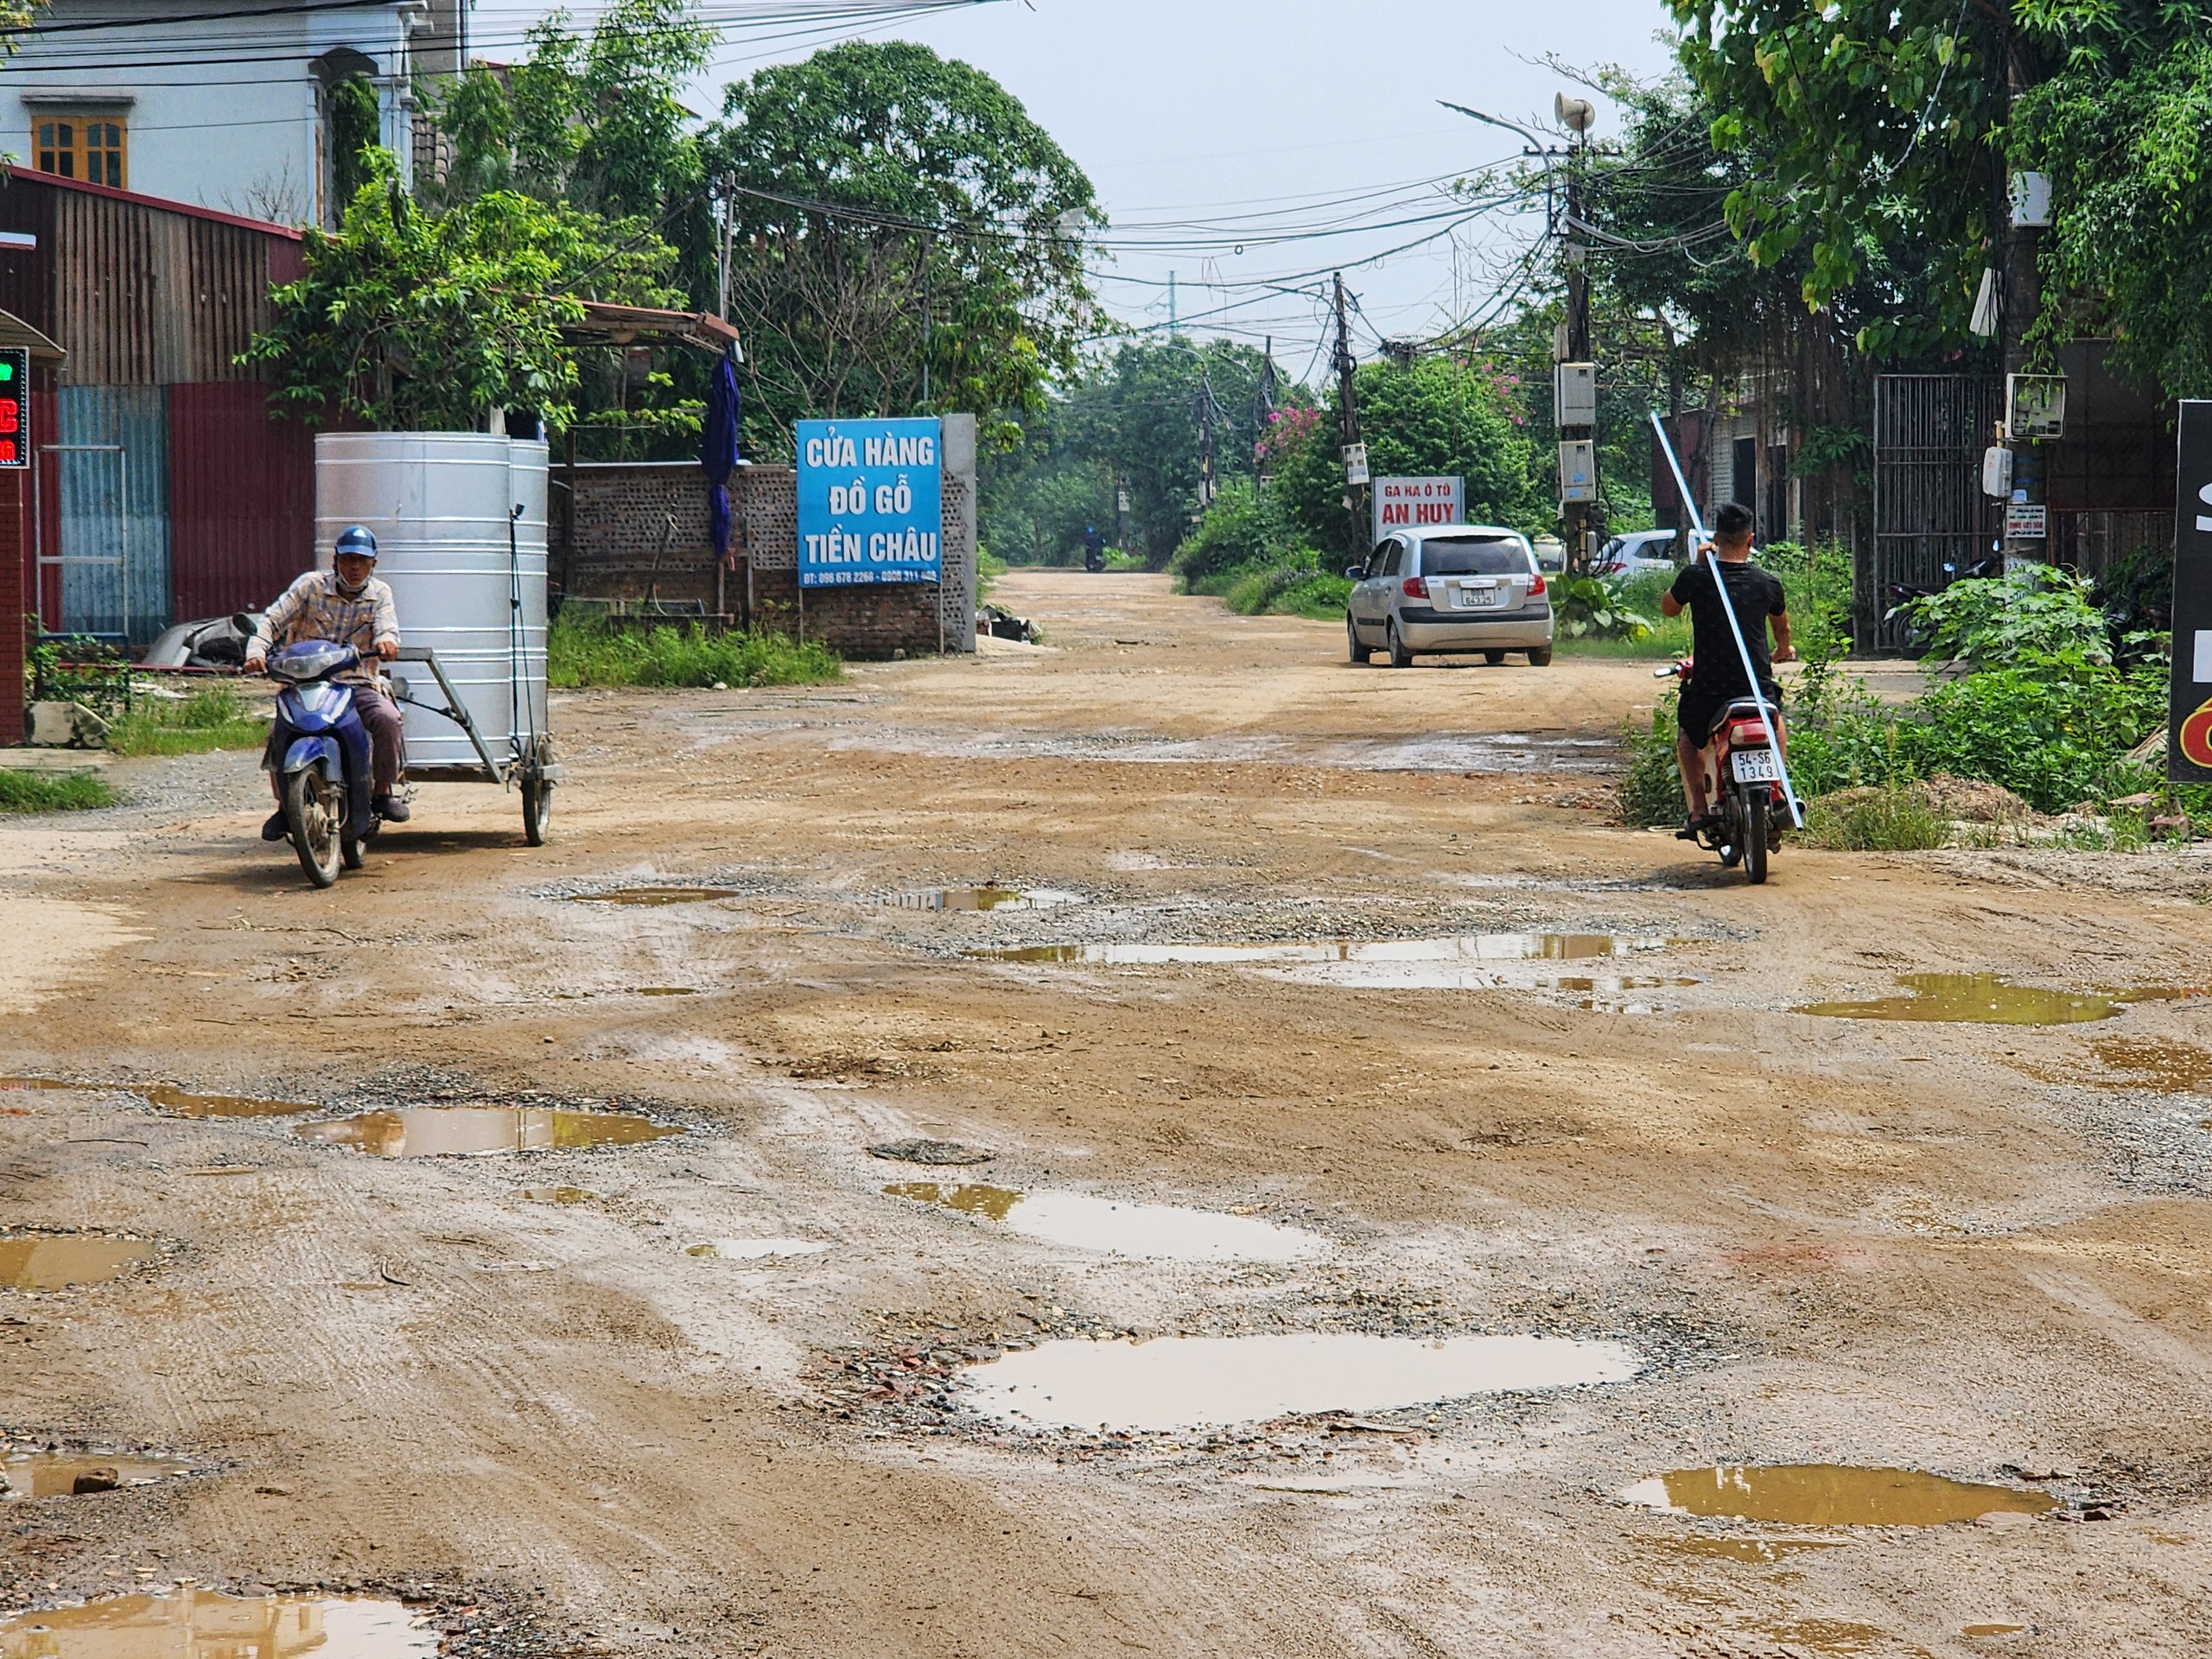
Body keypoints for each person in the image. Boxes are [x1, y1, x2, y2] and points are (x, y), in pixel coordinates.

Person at [245, 525, 410, 837]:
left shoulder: (380, 594)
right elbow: (272, 619)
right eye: (348, 559)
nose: (355, 567)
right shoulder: (310, 587)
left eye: (362, 560)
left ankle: (383, 791)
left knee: (388, 719)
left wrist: (387, 643)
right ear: (335, 561)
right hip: (304, 685)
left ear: (373, 564)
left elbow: (387, 628)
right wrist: (256, 651)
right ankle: (285, 806)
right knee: (278, 733)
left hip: (357, 685)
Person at [1658, 501, 1794, 837]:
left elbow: (1668, 608)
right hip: (1755, 686)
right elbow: (1783, 632)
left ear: (1716, 539)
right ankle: (1777, 791)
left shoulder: (1697, 578)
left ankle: (1699, 811)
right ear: (1750, 540)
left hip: (1710, 689)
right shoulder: (1768, 583)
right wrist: (1782, 651)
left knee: (1689, 739)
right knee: (1775, 722)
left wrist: (1700, 565)